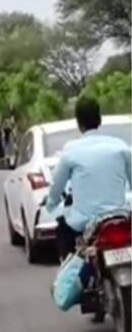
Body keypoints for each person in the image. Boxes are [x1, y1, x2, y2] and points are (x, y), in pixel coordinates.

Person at [46, 97, 132, 260]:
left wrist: (51, 204)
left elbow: (57, 186)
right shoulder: (120, 147)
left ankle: (67, 276)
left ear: (78, 123)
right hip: (121, 216)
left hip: (84, 222)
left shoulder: (71, 151)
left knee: (64, 235)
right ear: (99, 119)